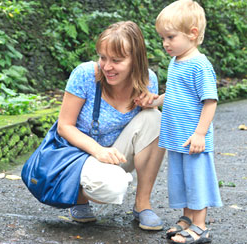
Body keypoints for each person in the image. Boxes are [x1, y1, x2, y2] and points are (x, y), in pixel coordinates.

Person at [57, 20, 165, 230]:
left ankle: (142, 204)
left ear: (136, 60)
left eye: (116, 60)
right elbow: (64, 126)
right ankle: (78, 196)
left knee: (155, 118)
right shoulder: (86, 74)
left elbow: (147, 132)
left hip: (116, 156)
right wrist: (98, 151)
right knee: (112, 189)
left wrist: (150, 103)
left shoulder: (147, 79)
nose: (107, 67)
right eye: (103, 57)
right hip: (79, 157)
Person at [135, 0, 223, 243]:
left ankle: (200, 226)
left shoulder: (199, 66)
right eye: (162, 37)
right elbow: (175, 94)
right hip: (176, 137)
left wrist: (200, 134)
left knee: (197, 181)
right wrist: (153, 102)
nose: (165, 43)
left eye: (170, 37)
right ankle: (187, 218)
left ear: (193, 34)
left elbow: (210, 102)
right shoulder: (176, 62)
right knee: (182, 181)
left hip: (193, 137)